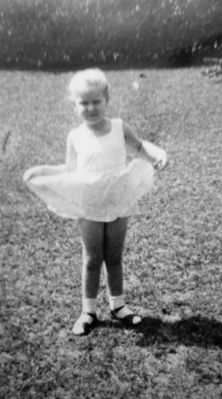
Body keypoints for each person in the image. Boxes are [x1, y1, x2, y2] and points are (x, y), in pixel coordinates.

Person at [23, 68, 167, 336]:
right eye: (83, 103)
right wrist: (41, 171)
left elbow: (139, 147)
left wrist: (157, 154)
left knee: (114, 256)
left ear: (107, 98)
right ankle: (88, 310)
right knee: (92, 258)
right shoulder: (75, 136)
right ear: (74, 104)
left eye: (96, 101)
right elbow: (69, 169)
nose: (90, 108)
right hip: (89, 201)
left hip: (117, 199)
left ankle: (118, 306)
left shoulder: (119, 127)